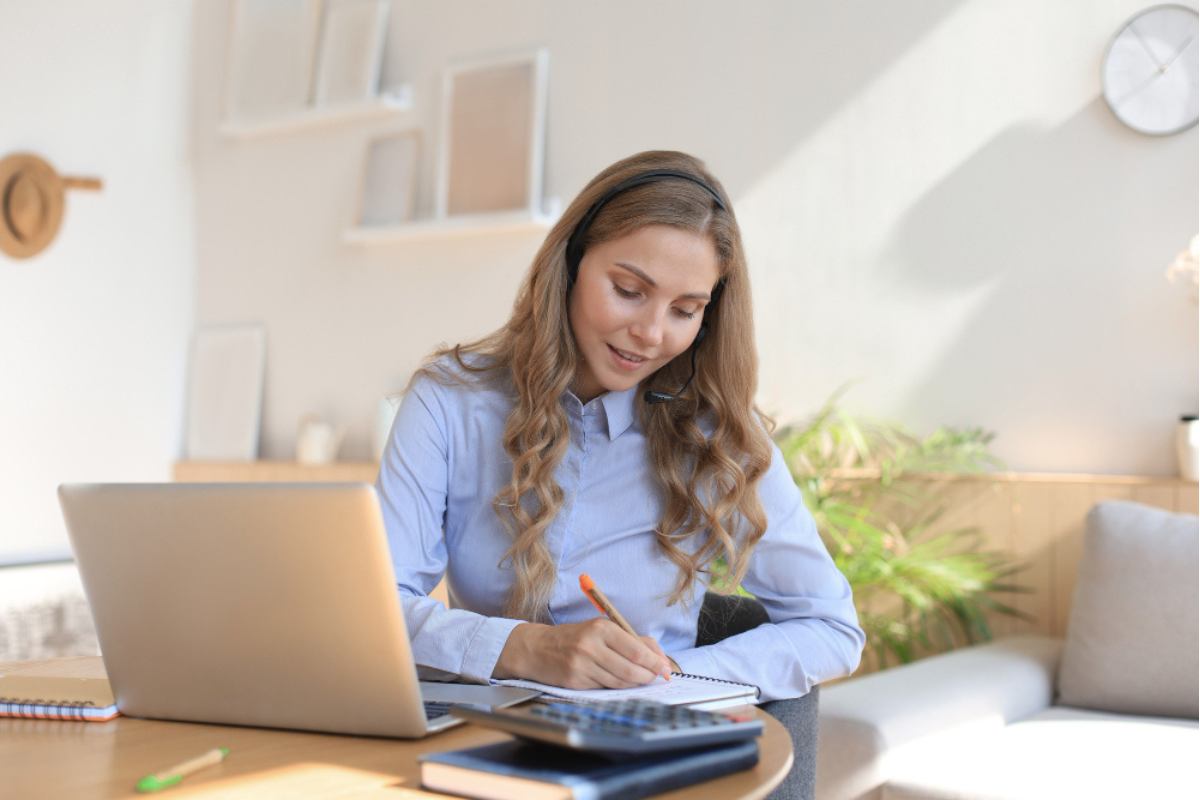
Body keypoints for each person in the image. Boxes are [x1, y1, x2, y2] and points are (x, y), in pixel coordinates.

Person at [377, 150, 864, 798]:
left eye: (686, 309)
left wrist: (668, 681)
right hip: (479, 755)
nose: (651, 333)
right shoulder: (449, 402)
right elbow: (380, 614)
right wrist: (521, 648)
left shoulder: (718, 434)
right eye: (629, 290)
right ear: (572, 262)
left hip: (644, 766)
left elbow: (832, 629)